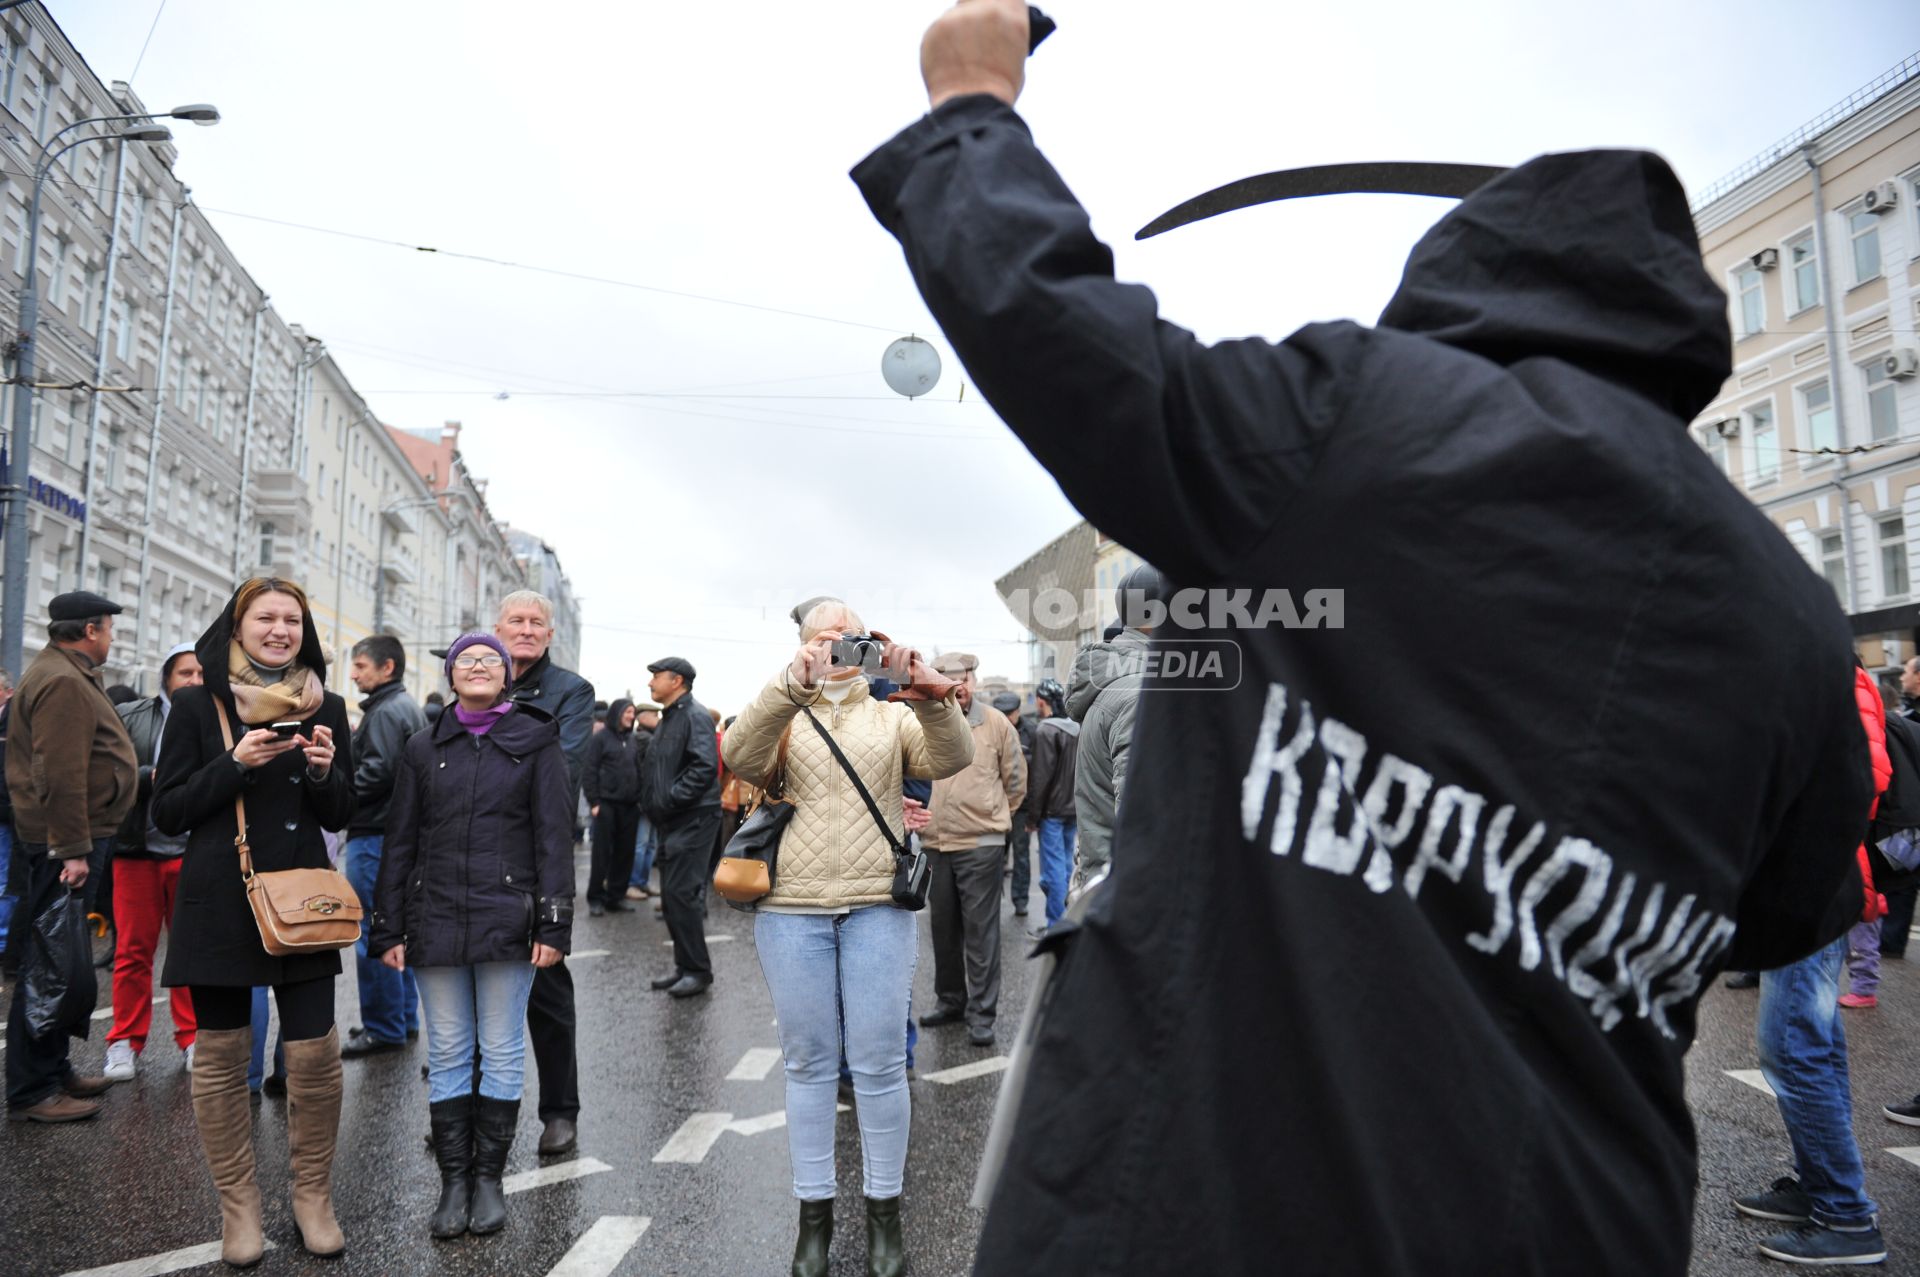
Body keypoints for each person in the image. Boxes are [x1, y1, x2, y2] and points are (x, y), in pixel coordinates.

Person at [854, 5, 1874, 1272]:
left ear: (1469, 268)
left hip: (1221, 1192)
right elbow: (1787, 912)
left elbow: (1072, 341)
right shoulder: (1790, 609)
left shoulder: (1348, 426)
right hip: (1574, 1214)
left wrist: (971, 105)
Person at [722, 600, 972, 1277]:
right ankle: (814, 1221)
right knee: (806, 1064)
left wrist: (930, 690)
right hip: (791, 906)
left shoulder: (891, 714)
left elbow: (952, 757)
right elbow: (740, 755)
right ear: (802, 645)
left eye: (849, 634)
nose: (836, 644)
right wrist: (789, 684)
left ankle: (884, 1214)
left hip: (875, 906)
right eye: (822, 636)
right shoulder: (780, 706)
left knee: (881, 1064)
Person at [152, 577, 355, 1266]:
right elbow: (168, 811)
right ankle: (238, 1208)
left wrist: (326, 774)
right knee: (221, 1056)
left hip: (300, 904)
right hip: (221, 901)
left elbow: (339, 812)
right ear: (236, 627)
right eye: (265, 617)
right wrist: (234, 764)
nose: (279, 629)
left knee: (315, 1055)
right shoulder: (195, 704)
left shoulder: (327, 703)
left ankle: (312, 1199)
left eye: (292, 619)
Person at [372, 633, 573, 1240]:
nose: (479, 667)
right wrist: (386, 925)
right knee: (453, 1050)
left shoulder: (536, 740)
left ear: (507, 675)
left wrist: (554, 921)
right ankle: (453, 1183)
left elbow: (553, 838)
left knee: (503, 1047)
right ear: (452, 675)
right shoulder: (422, 745)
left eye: (491, 660)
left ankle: (489, 1180)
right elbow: (399, 839)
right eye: (467, 660)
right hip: (433, 915)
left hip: (506, 917)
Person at [1731, 664, 1889, 1265]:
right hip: (1801, 883)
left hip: (1809, 885)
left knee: (1793, 1047)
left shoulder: (1823, 672)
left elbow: (1863, 776)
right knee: (1811, 1044)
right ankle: (1819, 1184)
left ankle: (1847, 1217)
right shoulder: (1806, 667)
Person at [4, 591, 136, 1123]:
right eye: (107, 628)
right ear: (88, 630)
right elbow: (57, 774)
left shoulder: (65, 671)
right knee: (48, 967)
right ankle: (33, 1089)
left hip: (69, 839)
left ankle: (54, 1069)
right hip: (63, 844)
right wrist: (72, 850)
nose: (110, 637)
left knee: (59, 960)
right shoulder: (61, 680)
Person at [496, 589, 595, 1157]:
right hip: (474, 855)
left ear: (550, 634)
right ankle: (468, 1111)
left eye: (537, 622)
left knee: (546, 987)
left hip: (537, 858)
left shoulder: (571, 692)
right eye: (517, 620)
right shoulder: (475, 674)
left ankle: (561, 1111)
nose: (527, 629)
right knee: (474, 983)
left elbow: (562, 768)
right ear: (498, 627)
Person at [102, 642, 203, 1083]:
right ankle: (124, 1040)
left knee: (189, 952)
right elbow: (108, 774)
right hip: (136, 851)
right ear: (166, 676)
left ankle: (193, 1037)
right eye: (185, 673)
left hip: (192, 851)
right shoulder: (132, 716)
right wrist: (149, 777)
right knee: (132, 952)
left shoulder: (216, 716)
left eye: (201, 674)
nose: (193, 682)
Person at [920, 652, 1024, 1048]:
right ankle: (951, 1002)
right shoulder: (924, 719)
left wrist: (992, 818)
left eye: (962, 679)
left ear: (973, 681)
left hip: (981, 843)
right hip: (936, 843)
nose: (957, 687)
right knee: (942, 931)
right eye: (946, 679)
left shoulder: (995, 723)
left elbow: (1016, 781)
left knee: (981, 935)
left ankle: (982, 1016)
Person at [340, 634, 427, 1059]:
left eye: (360, 665)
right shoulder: (399, 707)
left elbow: (377, 773)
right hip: (391, 835)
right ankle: (401, 1019)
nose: (353, 673)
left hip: (375, 836)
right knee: (395, 931)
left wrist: (334, 795)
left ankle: (384, 1026)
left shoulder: (387, 713)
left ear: (386, 668)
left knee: (372, 932)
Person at [1065, 564, 1168, 901]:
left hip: (1110, 882)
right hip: (1138, 897)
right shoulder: (1142, 692)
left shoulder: (1121, 683)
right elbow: (1142, 819)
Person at [642, 656, 721, 998]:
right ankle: (684, 965)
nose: (650, 683)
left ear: (676, 681)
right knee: (672, 899)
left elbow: (704, 767)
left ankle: (698, 971)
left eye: (655, 677)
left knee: (682, 896)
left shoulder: (695, 716)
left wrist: (671, 798)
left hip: (693, 817)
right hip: (672, 819)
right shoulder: (670, 718)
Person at [1026, 677, 1079, 930]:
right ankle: (1067, 918)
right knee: (1067, 864)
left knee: (1054, 870)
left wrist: (1032, 818)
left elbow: (1040, 779)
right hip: (1074, 808)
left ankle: (1055, 925)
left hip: (1052, 812)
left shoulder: (1045, 730)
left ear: (1040, 700)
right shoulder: (1076, 728)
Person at [583, 698, 644, 916]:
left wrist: (639, 798)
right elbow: (589, 770)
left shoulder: (632, 739)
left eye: (633, 712)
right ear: (617, 713)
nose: (631, 716)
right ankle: (596, 898)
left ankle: (615, 897)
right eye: (627, 712)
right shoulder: (600, 739)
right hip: (606, 804)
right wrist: (594, 802)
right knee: (602, 854)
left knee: (624, 854)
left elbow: (638, 769)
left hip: (629, 806)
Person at [994, 692, 1036, 917]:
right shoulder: (992, 729)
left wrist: (1033, 815)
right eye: (1004, 714)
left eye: (1010, 714)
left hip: (1022, 808)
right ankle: (992, 901)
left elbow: (1038, 774)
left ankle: (1020, 900)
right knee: (994, 855)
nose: (1008, 718)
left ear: (1018, 712)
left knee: (1021, 856)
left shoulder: (1031, 732)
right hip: (996, 805)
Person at [628, 703, 663, 900]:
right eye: (654, 714)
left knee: (650, 845)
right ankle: (634, 883)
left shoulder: (649, 736)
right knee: (642, 844)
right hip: (645, 800)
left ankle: (642, 882)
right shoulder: (643, 737)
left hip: (651, 800)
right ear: (642, 718)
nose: (658, 718)